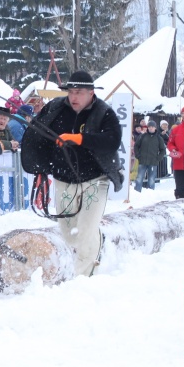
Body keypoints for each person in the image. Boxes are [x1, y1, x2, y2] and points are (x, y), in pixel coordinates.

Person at [20, 70, 123, 277]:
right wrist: (40, 167)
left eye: (79, 92)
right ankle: (96, 238)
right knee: (69, 235)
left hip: (95, 179)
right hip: (63, 178)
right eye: (71, 92)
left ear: (91, 93)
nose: (74, 97)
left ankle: (83, 278)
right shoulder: (55, 108)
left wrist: (80, 139)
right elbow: (37, 136)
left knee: (85, 232)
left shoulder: (104, 112)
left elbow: (113, 140)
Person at [133, 120, 166, 192]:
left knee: (151, 179)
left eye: (152, 127)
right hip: (142, 161)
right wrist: (138, 155)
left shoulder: (159, 138)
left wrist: (158, 158)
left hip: (153, 162)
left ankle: (150, 193)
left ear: (155, 128)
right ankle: (137, 192)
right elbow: (136, 146)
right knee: (139, 178)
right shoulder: (142, 136)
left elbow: (163, 149)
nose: (151, 128)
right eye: (149, 127)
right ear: (147, 127)